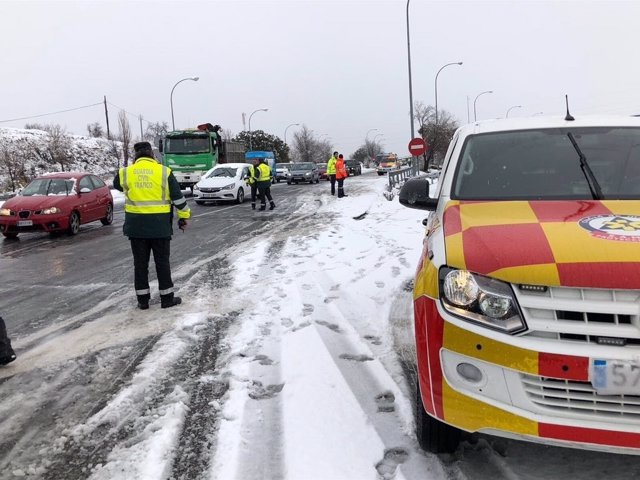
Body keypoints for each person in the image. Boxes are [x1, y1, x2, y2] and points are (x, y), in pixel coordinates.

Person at [113, 141, 191, 309]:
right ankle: (167, 299)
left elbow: (117, 185)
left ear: (135, 155)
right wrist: (184, 216)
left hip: (136, 228)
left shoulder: (126, 173)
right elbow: (178, 198)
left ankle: (142, 301)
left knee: (140, 265)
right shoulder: (164, 172)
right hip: (160, 227)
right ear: (152, 154)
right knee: (162, 263)